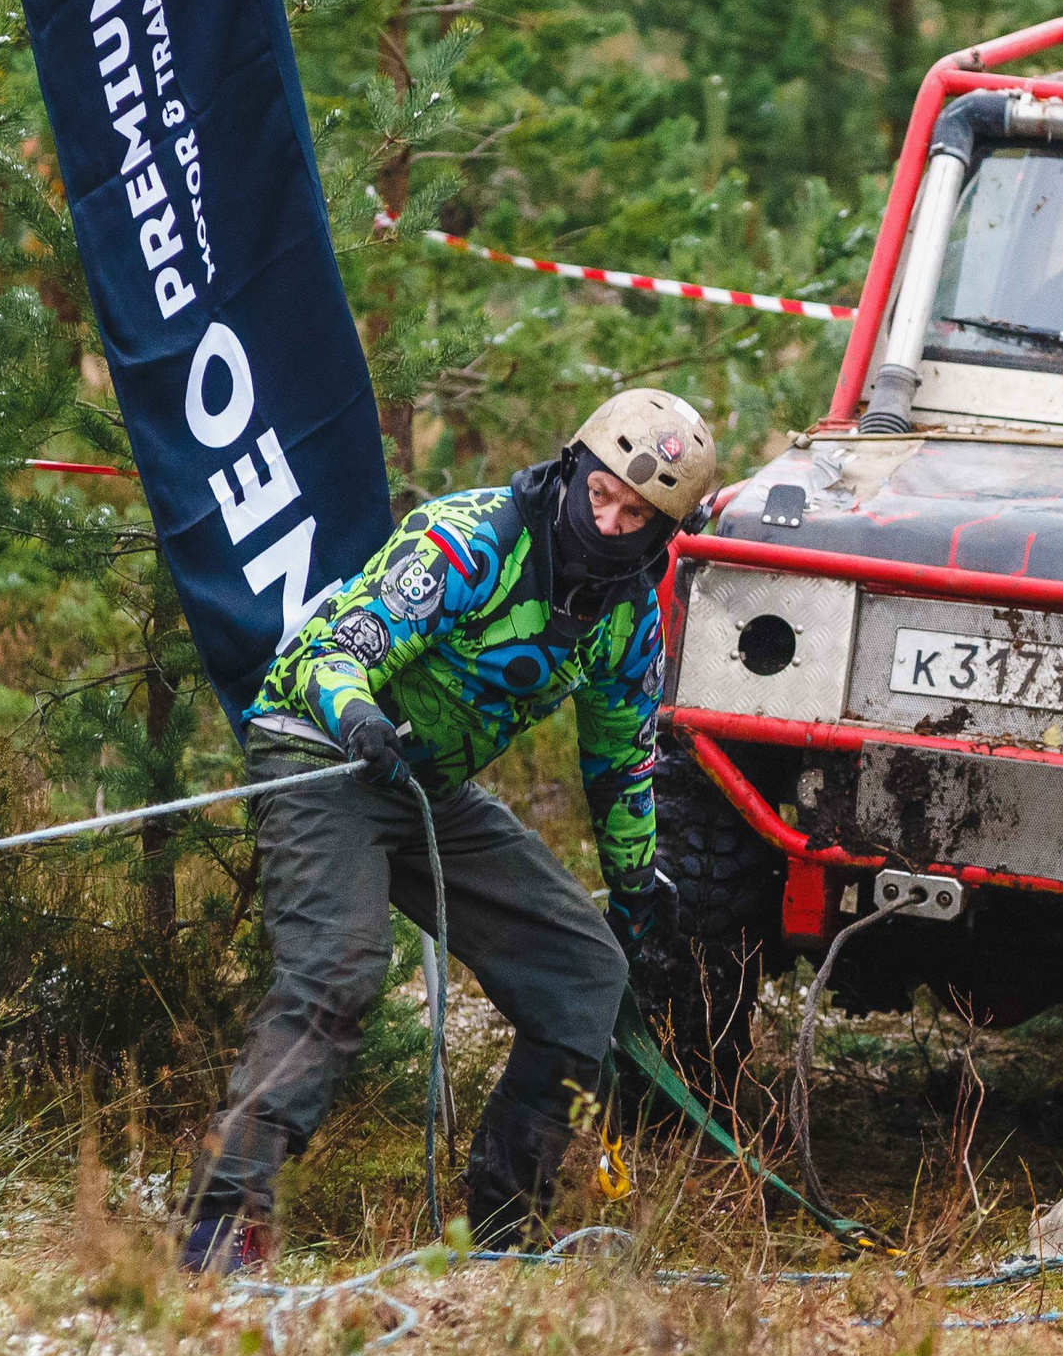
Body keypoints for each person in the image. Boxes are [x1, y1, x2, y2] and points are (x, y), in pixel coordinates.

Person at [181, 390, 721, 1272]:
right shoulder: (470, 540)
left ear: (663, 533)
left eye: (635, 516)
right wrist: (358, 716)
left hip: (426, 789)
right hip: (321, 749)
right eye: (600, 495)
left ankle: (502, 1234)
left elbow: (620, 763)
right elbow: (329, 652)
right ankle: (220, 1226)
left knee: (586, 973)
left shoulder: (628, 620)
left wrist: (634, 887)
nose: (608, 522)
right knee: (341, 967)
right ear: (573, 468)